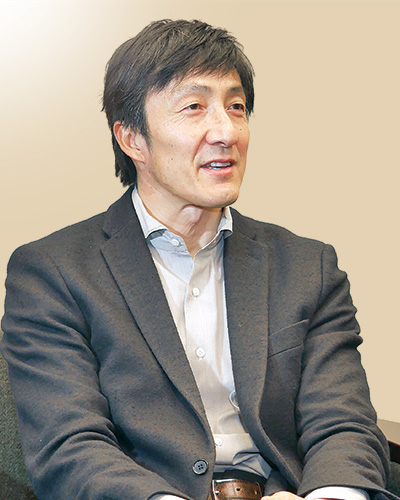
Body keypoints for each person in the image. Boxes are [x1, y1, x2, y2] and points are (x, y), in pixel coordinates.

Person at [0, 19, 394, 500]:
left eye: (236, 107)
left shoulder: (308, 267)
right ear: (132, 138)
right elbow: (70, 447)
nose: (226, 131)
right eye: (194, 107)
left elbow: (343, 425)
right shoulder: (53, 272)